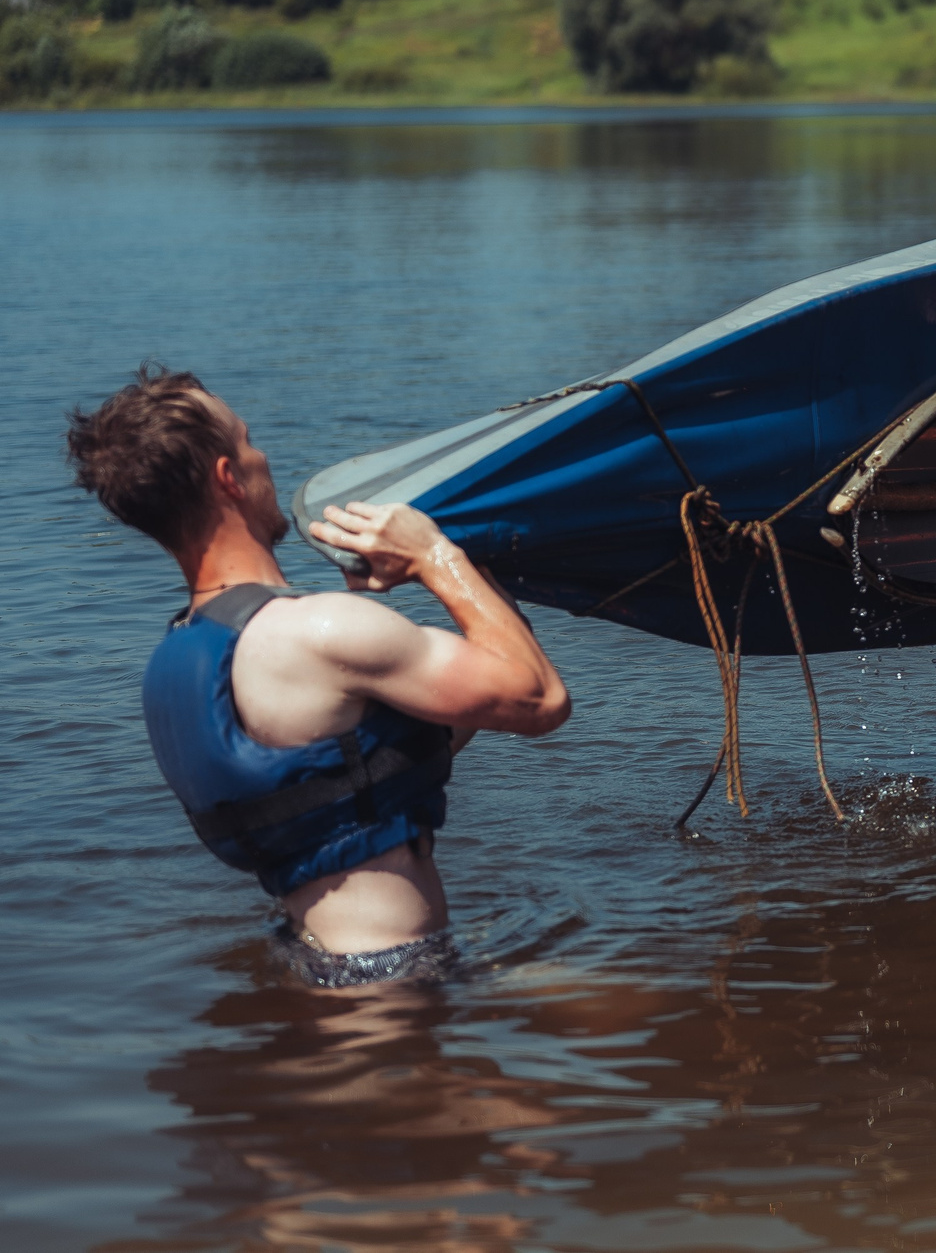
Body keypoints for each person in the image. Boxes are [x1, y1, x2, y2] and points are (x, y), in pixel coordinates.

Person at [66, 367, 571, 989]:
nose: (264, 454)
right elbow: (539, 698)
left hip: (319, 960)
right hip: (384, 979)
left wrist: (457, 585)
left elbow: (398, 760)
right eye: (247, 439)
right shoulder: (317, 632)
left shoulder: (178, 663)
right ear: (228, 477)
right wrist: (436, 557)